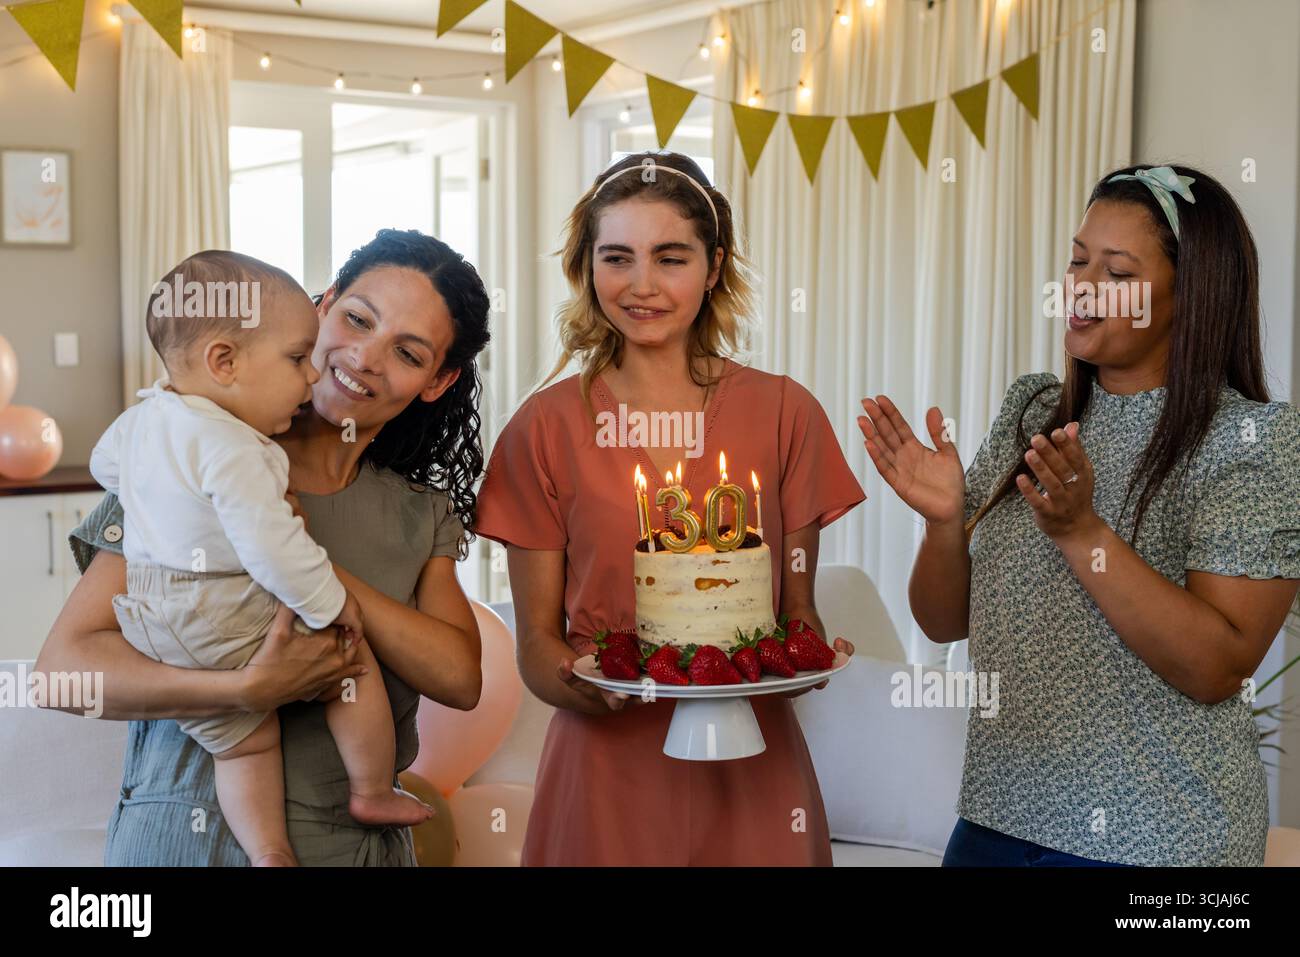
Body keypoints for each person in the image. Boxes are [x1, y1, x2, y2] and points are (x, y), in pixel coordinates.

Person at [859, 165, 1300, 866]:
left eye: (1117, 271)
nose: (1081, 285)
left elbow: (1218, 665)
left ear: (1190, 296)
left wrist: (1082, 533)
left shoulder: (1246, 440)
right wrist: (944, 524)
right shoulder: (1032, 411)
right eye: (1076, 259)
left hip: (1162, 839)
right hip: (997, 817)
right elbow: (943, 620)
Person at [37, 229, 487, 865]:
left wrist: (304, 556)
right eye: (356, 319)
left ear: (437, 381)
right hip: (186, 844)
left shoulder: (419, 514)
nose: (363, 357)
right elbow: (63, 674)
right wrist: (244, 692)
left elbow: (460, 678)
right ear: (321, 307)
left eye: (408, 353)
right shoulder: (185, 461)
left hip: (348, 851)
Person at [474, 151, 866, 865]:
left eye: (671, 257)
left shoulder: (787, 414)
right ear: (587, 267)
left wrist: (809, 653)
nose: (642, 285)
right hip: (604, 768)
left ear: (713, 267)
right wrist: (584, 682)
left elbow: (798, 614)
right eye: (617, 257)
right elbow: (536, 646)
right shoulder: (544, 427)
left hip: (755, 768)